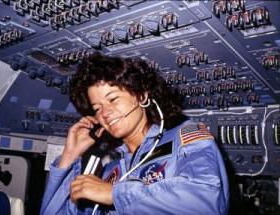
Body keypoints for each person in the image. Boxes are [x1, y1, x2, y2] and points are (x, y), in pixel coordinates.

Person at [40, 53, 229, 215]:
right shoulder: (109, 172)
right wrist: (69, 156)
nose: (105, 113)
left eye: (113, 99)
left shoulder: (186, 136)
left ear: (142, 96)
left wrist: (114, 194)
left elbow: (207, 200)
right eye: (97, 108)